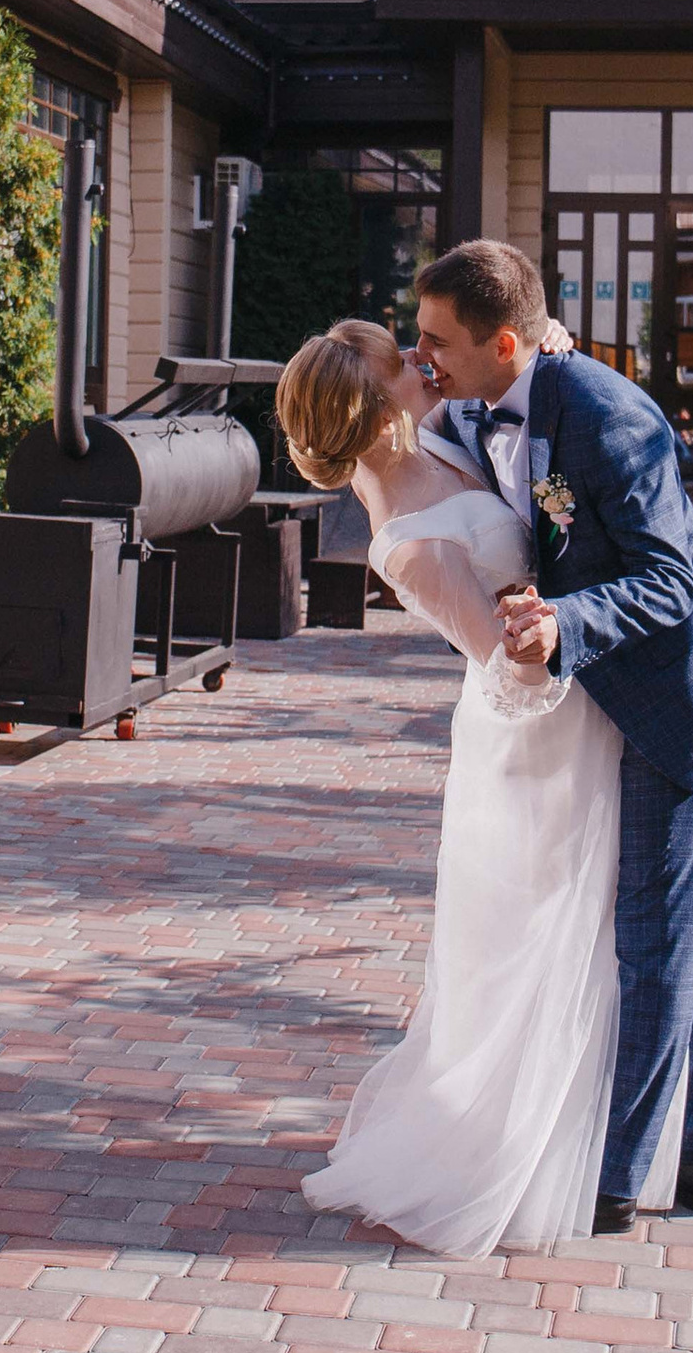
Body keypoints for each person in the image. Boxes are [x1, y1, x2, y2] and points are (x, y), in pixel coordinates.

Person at [414, 241, 693, 1237]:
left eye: (437, 342)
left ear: (503, 341)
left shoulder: (609, 416)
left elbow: (669, 579)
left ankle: (616, 1181)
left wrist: (565, 626)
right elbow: (455, 424)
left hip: (689, 699)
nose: (425, 360)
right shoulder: (482, 400)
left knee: (660, 936)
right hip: (635, 700)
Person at [277, 317, 671, 1256]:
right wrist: (563, 628)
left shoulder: (442, 435)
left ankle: (604, 1131)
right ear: (379, 416)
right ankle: (525, 1146)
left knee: (595, 923)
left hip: (574, 699)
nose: (423, 363)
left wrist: (546, 361)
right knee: (546, 935)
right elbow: (505, 665)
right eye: (400, 364)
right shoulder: (406, 543)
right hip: (537, 738)